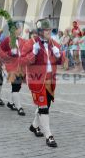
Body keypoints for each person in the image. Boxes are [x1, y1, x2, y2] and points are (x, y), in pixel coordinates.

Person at [21, 18, 62, 147]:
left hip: (50, 80)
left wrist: (59, 54)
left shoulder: (54, 43)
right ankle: (49, 136)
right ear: (40, 31)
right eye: (46, 29)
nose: (49, 31)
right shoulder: (30, 43)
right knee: (43, 107)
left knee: (45, 106)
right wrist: (33, 52)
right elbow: (22, 61)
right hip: (37, 80)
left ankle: (34, 126)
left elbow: (62, 61)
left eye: (50, 29)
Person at [0, 21, 27, 116]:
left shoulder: (22, 40)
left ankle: (11, 102)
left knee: (18, 86)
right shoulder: (7, 40)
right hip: (12, 67)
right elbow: (1, 52)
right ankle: (19, 107)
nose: (21, 30)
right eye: (19, 28)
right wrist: (10, 53)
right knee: (16, 86)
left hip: (21, 67)